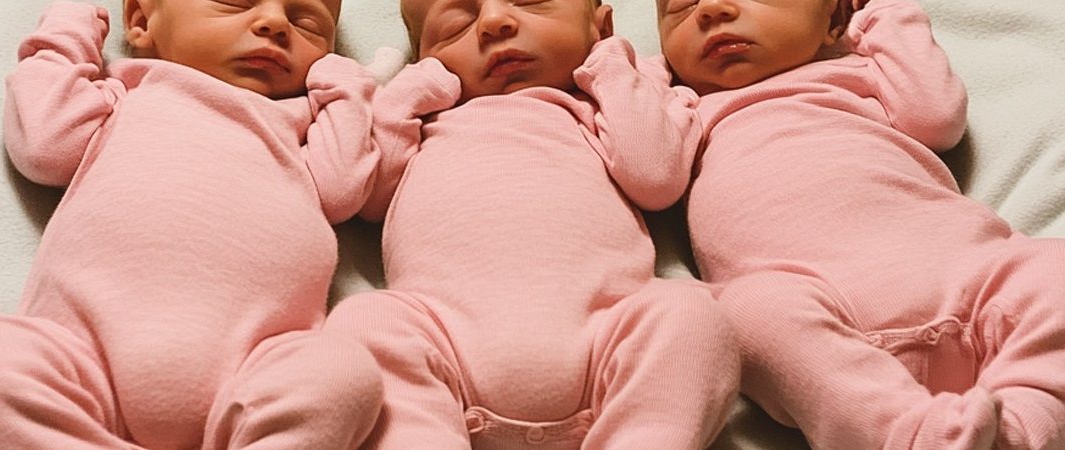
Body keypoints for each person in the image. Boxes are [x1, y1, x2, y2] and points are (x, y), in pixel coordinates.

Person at [325, 0, 739, 448]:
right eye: (456, 24)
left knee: (690, 316)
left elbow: (656, 178)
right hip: (444, 347)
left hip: (606, 347)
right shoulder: (427, 122)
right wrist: (404, 98)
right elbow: (370, 198)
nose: (494, 23)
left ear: (600, 28)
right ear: (425, 58)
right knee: (365, 320)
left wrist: (610, 66)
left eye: (529, 1)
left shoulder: (600, 107)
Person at [656, 0, 1065, 447]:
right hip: (817, 307)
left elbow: (938, 119)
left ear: (834, 18)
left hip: (964, 277)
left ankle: (1024, 420)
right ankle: (901, 432)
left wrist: (883, 13)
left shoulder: (865, 68)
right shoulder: (682, 107)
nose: (711, 9)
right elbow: (651, 176)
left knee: (1052, 269)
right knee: (743, 312)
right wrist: (623, 71)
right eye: (680, 4)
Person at [0, 0, 391, 448]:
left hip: (251, 374)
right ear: (142, 21)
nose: (276, 23)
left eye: (307, 22)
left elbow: (343, 188)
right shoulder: (128, 95)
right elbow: (44, 146)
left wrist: (345, 87)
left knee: (343, 372)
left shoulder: (297, 128)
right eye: (235, 2)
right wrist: (69, 27)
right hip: (81, 363)